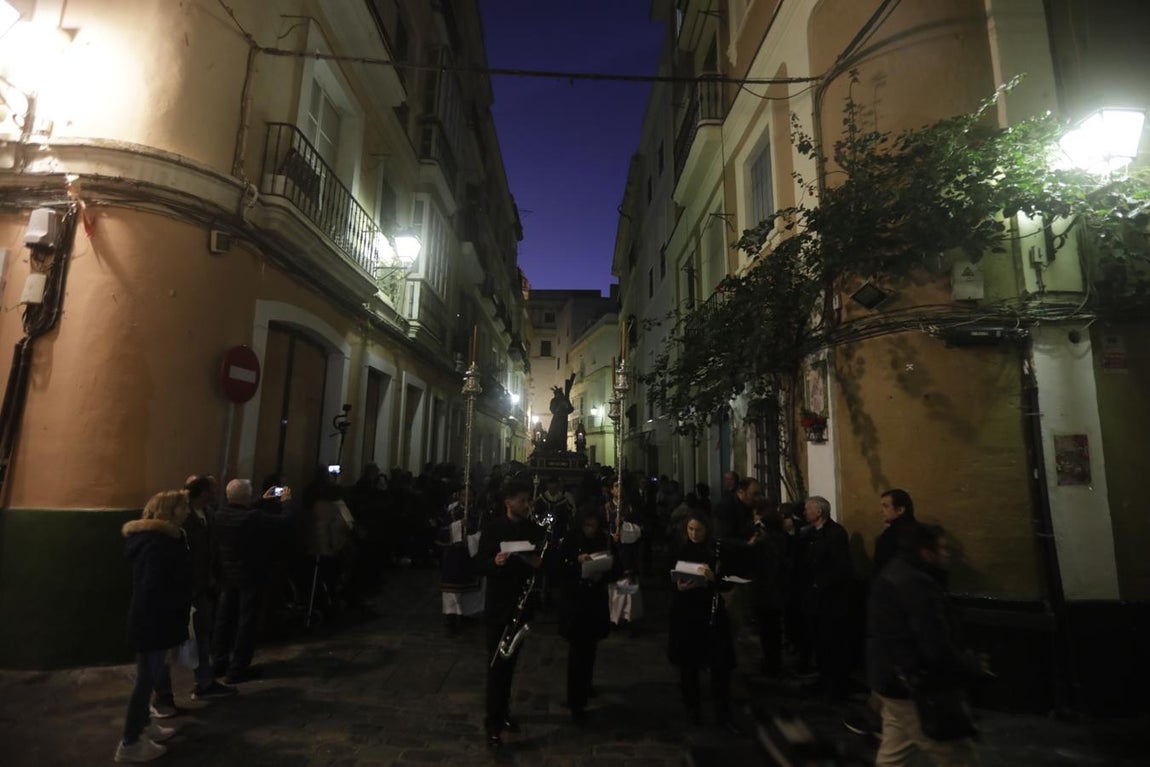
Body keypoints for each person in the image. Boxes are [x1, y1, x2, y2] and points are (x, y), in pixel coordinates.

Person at [868, 523, 984, 766]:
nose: (948, 553)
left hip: (892, 679)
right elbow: (933, 643)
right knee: (956, 755)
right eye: (942, 548)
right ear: (925, 551)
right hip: (913, 685)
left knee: (894, 752)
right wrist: (967, 667)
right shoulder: (915, 583)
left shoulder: (897, 571)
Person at [115, 490, 193, 763]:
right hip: (154, 620)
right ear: (170, 511)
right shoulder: (158, 543)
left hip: (153, 618)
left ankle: (145, 725)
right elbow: (154, 586)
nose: (188, 512)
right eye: (183, 508)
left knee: (149, 676)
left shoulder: (157, 539)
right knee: (145, 681)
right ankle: (130, 741)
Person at [473, 479, 548, 748]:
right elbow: (480, 563)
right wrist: (494, 561)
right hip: (498, 605)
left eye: (528, 501)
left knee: (511, 663)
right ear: (509, 502)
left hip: (522, 604)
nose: (527, 505)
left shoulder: (532, 529)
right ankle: (492, 722)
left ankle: (503, 713)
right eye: (523, 500)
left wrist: (537, 561)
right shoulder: (493, 529)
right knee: (496, 665)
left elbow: (542, 563)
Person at [668, 514, 740, 733]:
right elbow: (671, 580)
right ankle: (693, 710)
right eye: (690, 529)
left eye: (698, 529)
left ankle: (723, 715)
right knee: (689, 667)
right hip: (687, 615)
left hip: (711, 614)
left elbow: (728, 581)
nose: (694, 534)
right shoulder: (682, 551)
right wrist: (679, 587)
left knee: (720, 667)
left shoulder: (716, 552)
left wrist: (712, 579)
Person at [212, 478, 286, 684]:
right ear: (246, 496)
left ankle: (219, 662)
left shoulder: (220, 515)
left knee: (224, 619)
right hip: (251, 575)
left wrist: (261, 501)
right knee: (247, 621)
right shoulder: (253, 518)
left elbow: (242, 512)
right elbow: (284, 522)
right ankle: (238, 668)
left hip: (228, 575)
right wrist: (287, 502)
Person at [554, 509, 614, 723]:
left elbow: (616, 567)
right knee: (578, 652)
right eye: (587, 524)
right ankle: (576, 701)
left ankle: (586, 684)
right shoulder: (571, 540)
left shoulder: (604, 539)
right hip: (575, 603)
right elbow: (558, 567)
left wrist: (603, 571)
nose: (591, 528)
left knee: (590, 648)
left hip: (594, 602)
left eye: (594, 524)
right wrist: (576, 561)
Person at [797, 495, 853, 700]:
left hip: (830, 600)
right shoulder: (812, 533)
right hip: (815, 599)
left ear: (819, 512)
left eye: (807, 509)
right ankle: (824, 680)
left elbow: (840, 567)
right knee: (820, 643)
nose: (804, 513)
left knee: (832, 645)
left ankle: (835, 688)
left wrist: (818, 584)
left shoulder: (836, 534)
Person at [437, 486, 483, 635]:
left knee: (468, 588)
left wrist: (471, 537)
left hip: (470, 554)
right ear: (459, 496)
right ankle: (450, 618)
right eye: (464, 495)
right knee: (452, 588)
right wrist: (457, 527)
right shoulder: (452, 512)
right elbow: (441, 532)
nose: (466, 498)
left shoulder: (480, 513)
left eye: (470, 495)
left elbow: (484, 532)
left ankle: (465, 614)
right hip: (453, 555)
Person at [606, 480, 643, 631]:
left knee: (628, 586)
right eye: (615, 486)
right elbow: (601, 527)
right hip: (613, 550)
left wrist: (624, 527)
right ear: (611, 490)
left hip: (628, 552)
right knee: (615, 585)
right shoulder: (606, 508)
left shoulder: (630, 508)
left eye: (621, 486)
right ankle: (615, 617)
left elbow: (640, 528)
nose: (618, 489)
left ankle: (630, 618)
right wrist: (611, 534)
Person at [874, 489, 917, 575]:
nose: (881, 511)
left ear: (900, 510)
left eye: (885, 506)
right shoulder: (919, 529)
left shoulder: (890, 535)